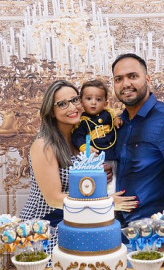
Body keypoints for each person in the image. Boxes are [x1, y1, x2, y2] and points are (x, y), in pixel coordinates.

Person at [20, 80, 136, 227]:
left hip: (78, 220)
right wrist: (106, 202)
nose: (72, 107)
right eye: (62, 104)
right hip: (45, 225)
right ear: (51, 111)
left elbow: (82, 186)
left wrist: (97, 177)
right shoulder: (44, 145)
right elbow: (54, 199)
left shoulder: (82, 141)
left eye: (75, 100)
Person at [111, 53, 164, 226]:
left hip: (156, 232)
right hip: (119, 229)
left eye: (133, 76)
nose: (126, 84)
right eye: (119, 79)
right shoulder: (119, 123)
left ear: (147, 79)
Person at [71, 79, 122, 194]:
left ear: (105, 103)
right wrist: (84, 147)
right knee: (107, 185)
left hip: (114, 155)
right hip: (98, 157)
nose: (93, 103)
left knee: (119, 180)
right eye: (89, 99)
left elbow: (114, 120)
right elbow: (77, 136)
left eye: (98, 99)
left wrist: (116, 120)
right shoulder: (83, 121)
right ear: (81, 102)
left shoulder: (108, 114)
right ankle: (109, 200)